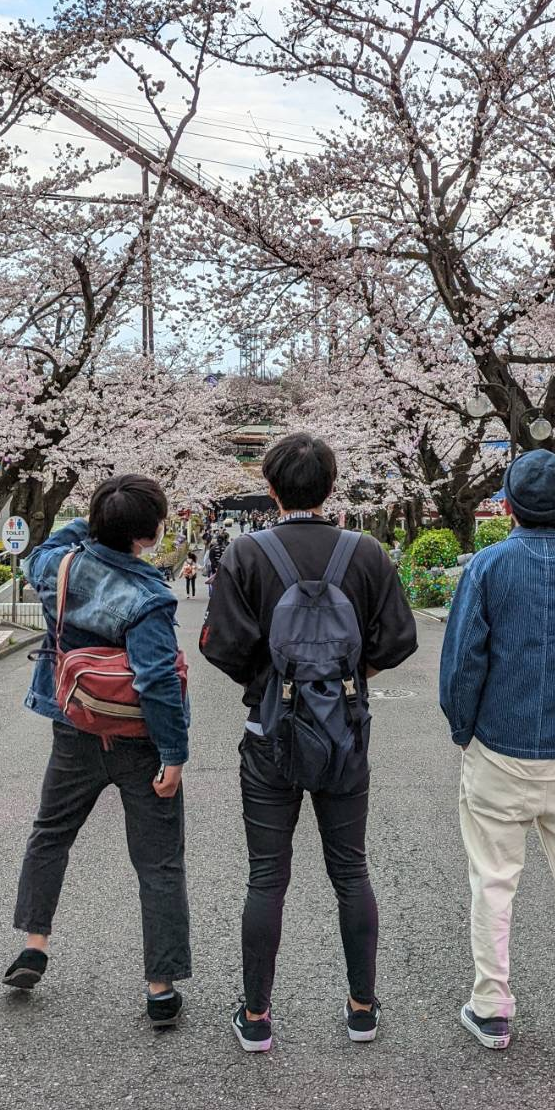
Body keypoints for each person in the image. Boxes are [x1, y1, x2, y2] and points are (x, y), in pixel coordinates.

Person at [200, 432, 418, 1054]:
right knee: (350, 869)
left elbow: (220, 645)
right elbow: (398, 639)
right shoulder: (366, 553)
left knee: (266, 876)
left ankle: (258, 1016)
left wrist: (270, 682)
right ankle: (361, 1009)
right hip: (345, 731)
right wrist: (348, 680)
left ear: (269, 489)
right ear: (331, 486)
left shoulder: (246, 553)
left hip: (269, 733)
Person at [439, 450, 555, 1052]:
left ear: (508, 504)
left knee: (494, 880)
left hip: (498, 747)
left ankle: (492, 1006)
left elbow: (463, 662)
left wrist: (463, 729)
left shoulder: (488, 568)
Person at [3, 475, 192, 1030]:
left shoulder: (56, 569)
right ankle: (160, 987)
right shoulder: (150, 597)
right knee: (158, 861)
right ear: (151, 534)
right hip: (139, 743)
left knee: (50, 835)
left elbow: (50, 545)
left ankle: (35, 943)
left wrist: (98, 516)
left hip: (74, 727)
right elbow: (157, 681)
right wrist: (174, 753)